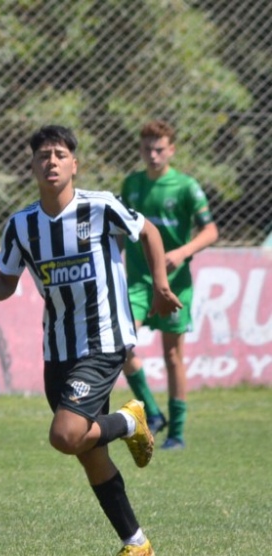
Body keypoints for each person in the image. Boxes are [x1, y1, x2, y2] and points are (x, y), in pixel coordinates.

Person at [0, 125, 182, 556]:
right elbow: (9, 279)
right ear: (32, 166)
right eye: (43, 155)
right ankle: (137, 541)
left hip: (104, 341)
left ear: (74, 164)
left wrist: (160, 285)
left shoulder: (100, 207)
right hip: (58, 349)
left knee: (66, 435)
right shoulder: (22, 225)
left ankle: (128, 419)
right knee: (87, 450)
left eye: (60, 154)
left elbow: (150, 233)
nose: (51, 161)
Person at [121, 120, 219, 451]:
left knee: (173, 356)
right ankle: (151, 410)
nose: (153, 154)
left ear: (171, 150)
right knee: (119, 344)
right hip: (137, 283)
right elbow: (120, 231)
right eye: (147, 148)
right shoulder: (131, 185)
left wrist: (183, 251)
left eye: (159, 148)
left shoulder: (186, 187)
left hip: (175, 283)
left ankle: (176, 432)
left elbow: (210, 231)